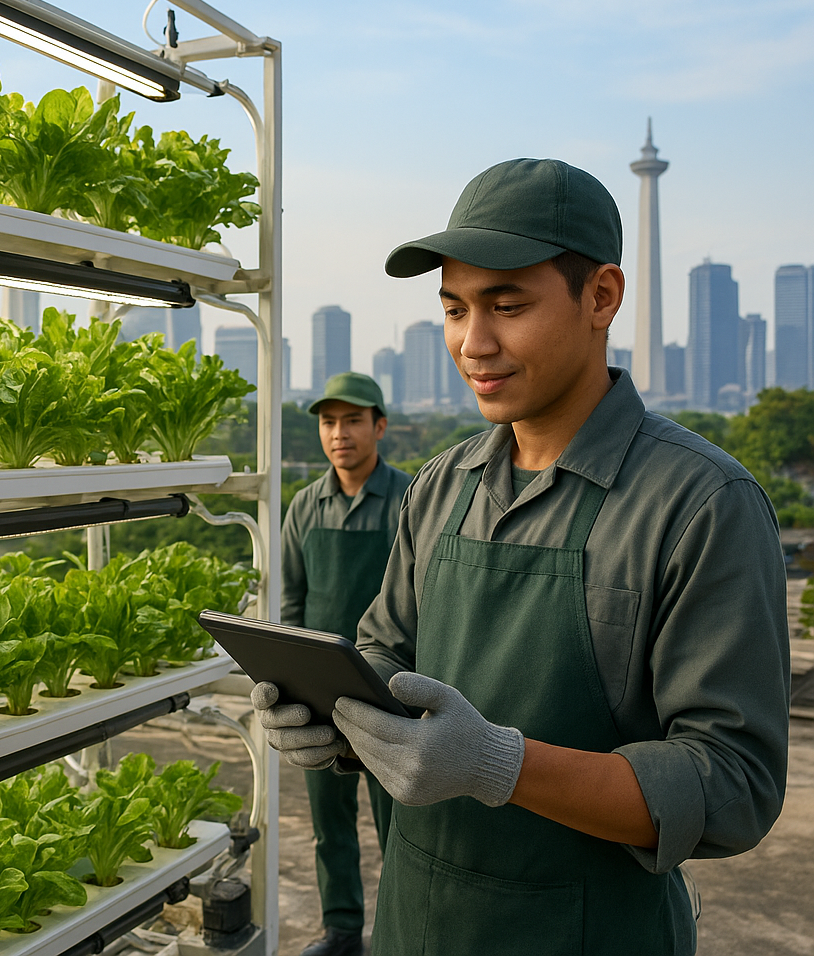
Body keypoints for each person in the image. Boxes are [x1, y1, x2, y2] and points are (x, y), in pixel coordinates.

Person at [255, 159, 790, 955]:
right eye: (454, 309)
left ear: (601, 297)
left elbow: (733, 782)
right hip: (416, 923)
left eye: (508, 306)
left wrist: (499, 765)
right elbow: (386, 652)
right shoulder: (441, 486)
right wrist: (334, 718)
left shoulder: (700, 503)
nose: (474, 344)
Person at [279, 371, 412, 956]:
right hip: (319, 692)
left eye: (353, 420)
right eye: (329, 422)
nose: (340, 433)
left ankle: (400, 932)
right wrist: (289, 681)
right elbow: (292, 603)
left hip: (392, 691)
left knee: (398, 826)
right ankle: (341, 930)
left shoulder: (410, 500)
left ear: (379, 427)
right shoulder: (305, 506)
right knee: (328, 822)